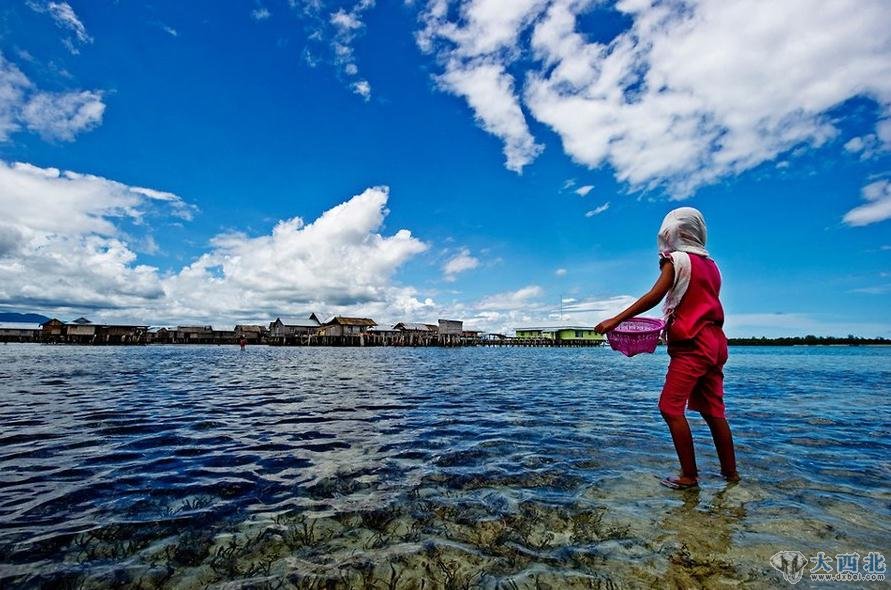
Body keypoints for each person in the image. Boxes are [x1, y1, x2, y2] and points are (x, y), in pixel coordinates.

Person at [594, 207, 738, 489]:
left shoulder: (676, 260)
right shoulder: (712, 266)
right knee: (714, 411)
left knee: (670, 408)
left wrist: (616, 320)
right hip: (715, 344)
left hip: (692, 344)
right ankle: (730, 474)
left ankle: (689, 476)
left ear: (674, 232)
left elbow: (655, 296)